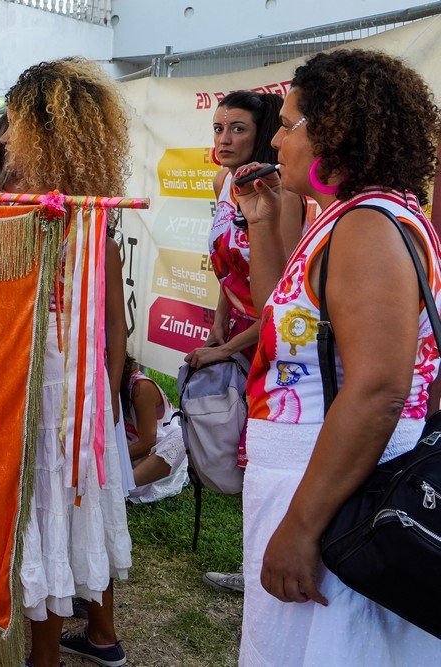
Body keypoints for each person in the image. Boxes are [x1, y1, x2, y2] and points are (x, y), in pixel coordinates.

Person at [235, 49, 441, 665]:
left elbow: (378, 388)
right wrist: (264, 221)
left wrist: (302, 526)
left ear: (334, 130)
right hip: (316, 474)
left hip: (329, 485)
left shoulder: (367, 225)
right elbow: (280, 316)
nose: (276, 140)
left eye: (288, 125)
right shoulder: (348, 215)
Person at [3, 57, 132, 667]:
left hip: (49, 380)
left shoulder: (39, 212)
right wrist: (108, 389)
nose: (6, 139)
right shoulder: (94, 211)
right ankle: (103, 637)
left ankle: (44, 657)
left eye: (13, 125)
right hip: (83, 381)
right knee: (83, 502)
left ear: (41, 132)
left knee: (49, 506)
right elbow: (116, 326)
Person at [189, 90, 305, 596]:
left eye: (237, 129)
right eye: (218, 128)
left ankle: (264, 567)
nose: (224, 139)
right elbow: (230, 261)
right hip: (239, 332)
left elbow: (285, 298)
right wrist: (220, 321)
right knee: (240, 455)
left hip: (273, 341)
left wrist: (226, 349)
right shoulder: (223, 183)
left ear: (261, 135)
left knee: (259, 460)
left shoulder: (283, 195)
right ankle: (254, 560)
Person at [121, 355, 188, 503]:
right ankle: (119, 485)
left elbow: (146, 445)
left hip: (155, 462)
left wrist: (110, 459)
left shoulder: (141, 387)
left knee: (182, 438)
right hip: (127, 458)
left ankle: (122, 486)